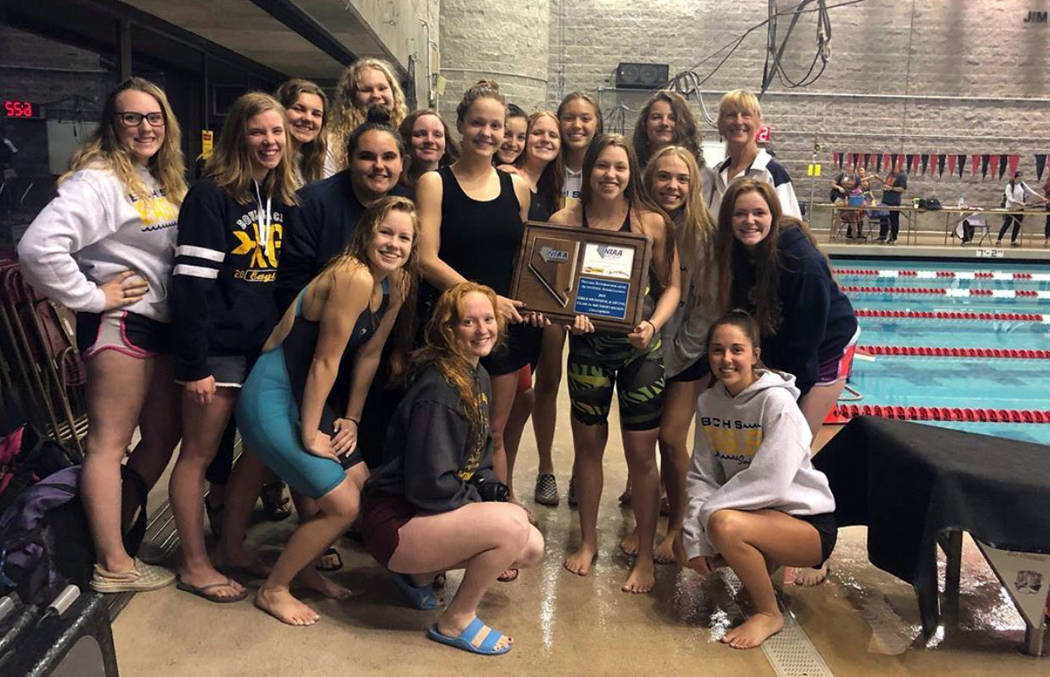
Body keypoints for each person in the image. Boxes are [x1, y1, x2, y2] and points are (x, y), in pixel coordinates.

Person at [17, 77, 186, 593]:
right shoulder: (97, 180)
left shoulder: (155, 177)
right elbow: (37, 248)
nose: (144, 127)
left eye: (153, 117)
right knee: (108, 446)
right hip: (120, 326)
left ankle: (109, 532)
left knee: (161, 437)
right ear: (113, 126)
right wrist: (93, 296)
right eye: (131, 118)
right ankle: (112, 564)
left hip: (157, 326)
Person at [235, 195, 417, 625]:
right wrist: (309, 433)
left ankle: (305, 571)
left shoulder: (397, 283)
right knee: (345, 505)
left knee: (362, 482)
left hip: (308, 396)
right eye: (385, 232)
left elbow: (369, 355)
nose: (394, 244)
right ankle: (274, 589)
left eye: (405, 237)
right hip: (272, 395)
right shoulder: (352, 275)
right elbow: (324, 361)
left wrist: (350, 418)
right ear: (366, 231)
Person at [360, 282, 545, 656]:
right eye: (468, 322)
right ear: (448, 329)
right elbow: (429, 487)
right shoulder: (439, 389)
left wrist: (494, 491)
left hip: (422, 515)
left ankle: (418, 575)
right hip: (395, 521)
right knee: (510, 527)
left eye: (489, 319)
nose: (483, 330)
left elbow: (479, 458)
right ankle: (456, 618)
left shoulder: (474, 374)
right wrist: (491, 510)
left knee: (530, 547)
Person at [168, 91, 298, 602]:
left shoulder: (278, 195)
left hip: (258, 347)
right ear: (237, 137)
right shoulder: (210, 195)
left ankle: (229, 548)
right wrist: (193, 364)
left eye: (277, 132)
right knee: (197, 456)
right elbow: (191, 288)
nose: (269, 142)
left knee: (257, 450)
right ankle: (194, 563)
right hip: (216, 351)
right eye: (258, 132)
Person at [550, 134, 680, 593]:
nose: (610, 175)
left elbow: (671, 287)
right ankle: (587, 541)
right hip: (588, 350)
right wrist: (567, 316)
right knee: (587, 448)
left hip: (640, 351)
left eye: (619, 168)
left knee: (642, 455)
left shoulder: (651, 223)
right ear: (589, 171)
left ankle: (644, 555)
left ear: (631, 174)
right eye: (602, 166)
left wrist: (653, 326)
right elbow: (551, 289)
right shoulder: (565, 220)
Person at [416, 80, 538, 529]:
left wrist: (541, 302)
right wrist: (482, 301)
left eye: (497, 126)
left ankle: (499, 520)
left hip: (503, 327)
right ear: (461, 127)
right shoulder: (434, 182)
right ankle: (438, 518)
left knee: (494, 433)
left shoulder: (517, 187)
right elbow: (426, 258)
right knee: (444, 429)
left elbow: (530, 257)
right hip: (451, 325)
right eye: (478, 123)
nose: (488, 133)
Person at [677, 309, 837, 649]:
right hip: (761, 515)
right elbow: (701, 474)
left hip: (806, 524)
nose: (726, 359)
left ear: (755, 355)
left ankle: (769, 614)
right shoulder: (709, 402)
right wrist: (694, 531)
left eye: (737, 349)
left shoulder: (776, 402)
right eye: (717, 350)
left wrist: (708, 519)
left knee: (723, 526)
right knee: (685, 545)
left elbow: (772, 481)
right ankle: (764, 565)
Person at [714, 179, 858, 438]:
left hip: (827, 346)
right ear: (728, 218)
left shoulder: (802, 264)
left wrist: (785, 395)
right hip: (782, 339)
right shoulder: (733, 250)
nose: (749, 221)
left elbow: (804, 347)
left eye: (759, 213)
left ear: (773, 215)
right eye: (740, 213)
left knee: (793, 440)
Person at [642, 145, 719, 564]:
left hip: (685, 354)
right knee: (643, 441)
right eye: (664, 177)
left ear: (693, 186)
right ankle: (647, 518)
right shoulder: (639, 224)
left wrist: (672, 356)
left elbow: (707, 308)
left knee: (671, 439)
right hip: (644, 348)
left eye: (682, 179)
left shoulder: (703, 236)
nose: (672, 186)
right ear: (649, 180)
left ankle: (678, 529)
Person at [496, 110, 563, 504]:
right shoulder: (509, 179)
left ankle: (508, 484)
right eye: (536, 132)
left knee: (525, 399)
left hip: (537, 312)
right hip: (511, 307)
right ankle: (499, 491)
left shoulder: (550, 188)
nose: (544, 139)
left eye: (551, 134)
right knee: (510, 404)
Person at [705, 90, 800, 221]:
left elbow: (791, 230)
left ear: (759, 124)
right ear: (720, 125)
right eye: (731, 115)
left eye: (746, 115)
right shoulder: (715, 175)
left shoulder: (772, 174)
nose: (738, 121)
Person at [325, 58, 408, 177]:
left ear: (394, 92)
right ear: (351, 98)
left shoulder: (408, 137)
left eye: (382, 88)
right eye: (366, 90)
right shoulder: (332, 145)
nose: (376, 95)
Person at [276, 79, 328, 187]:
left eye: (316, 114)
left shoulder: (309, 161)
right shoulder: (268, 162)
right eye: (298, 109)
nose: (308, 118)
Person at [631, 90, 703, 168]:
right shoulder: (630, 168)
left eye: (672, 118)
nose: (664, 123)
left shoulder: (703, 173)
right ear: (645, 123)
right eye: (656, 117)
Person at [557, 92, 603, 212]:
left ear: (597, 125)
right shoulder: (545, 168)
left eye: (585, 119)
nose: (577, 125)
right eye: (569, 118)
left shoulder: (605, 173)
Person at [398, 108, 458, 190]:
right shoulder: (394, 188)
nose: (429, 140)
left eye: (437, 135)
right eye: (420, 134)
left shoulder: (457, 186)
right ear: (406, 141)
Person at [997, 171, 1045, 247]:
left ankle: (1013, 241)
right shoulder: (1009, 186)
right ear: (1016, 177)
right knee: (1007, 224)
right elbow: (1009, 199)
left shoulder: (1022, 184)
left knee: (1017, 225)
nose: (1021, 178)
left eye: (1022, 177)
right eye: (1020, 177)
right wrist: (1019, 203)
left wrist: (1041, 198)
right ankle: (999, 240)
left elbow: (1030, 191)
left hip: (1019, 209)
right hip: (1011, 208)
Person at [876, 164, 907, 243]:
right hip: (885, 200)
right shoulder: (890, 174)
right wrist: (880, 180)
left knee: (893, 220)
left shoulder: (902, 176)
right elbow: (887, 183)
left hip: (894, 201)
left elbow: (902, 189)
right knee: (883, 218)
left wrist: (891, 188)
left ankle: (893, 237)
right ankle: (882, 236)